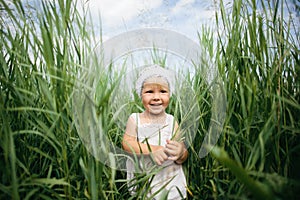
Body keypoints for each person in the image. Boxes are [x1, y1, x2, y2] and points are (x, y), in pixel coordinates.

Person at [122, 65, 188, 199]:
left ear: (170, 94)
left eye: (163, 91)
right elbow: (127, 143)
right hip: (145, 181)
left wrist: (181, 153)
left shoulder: (171, 121)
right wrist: (152, 150)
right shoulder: (135, 119)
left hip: (171, 182)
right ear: (140, 95)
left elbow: (182, 151)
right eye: (149, 92)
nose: (156, 97)